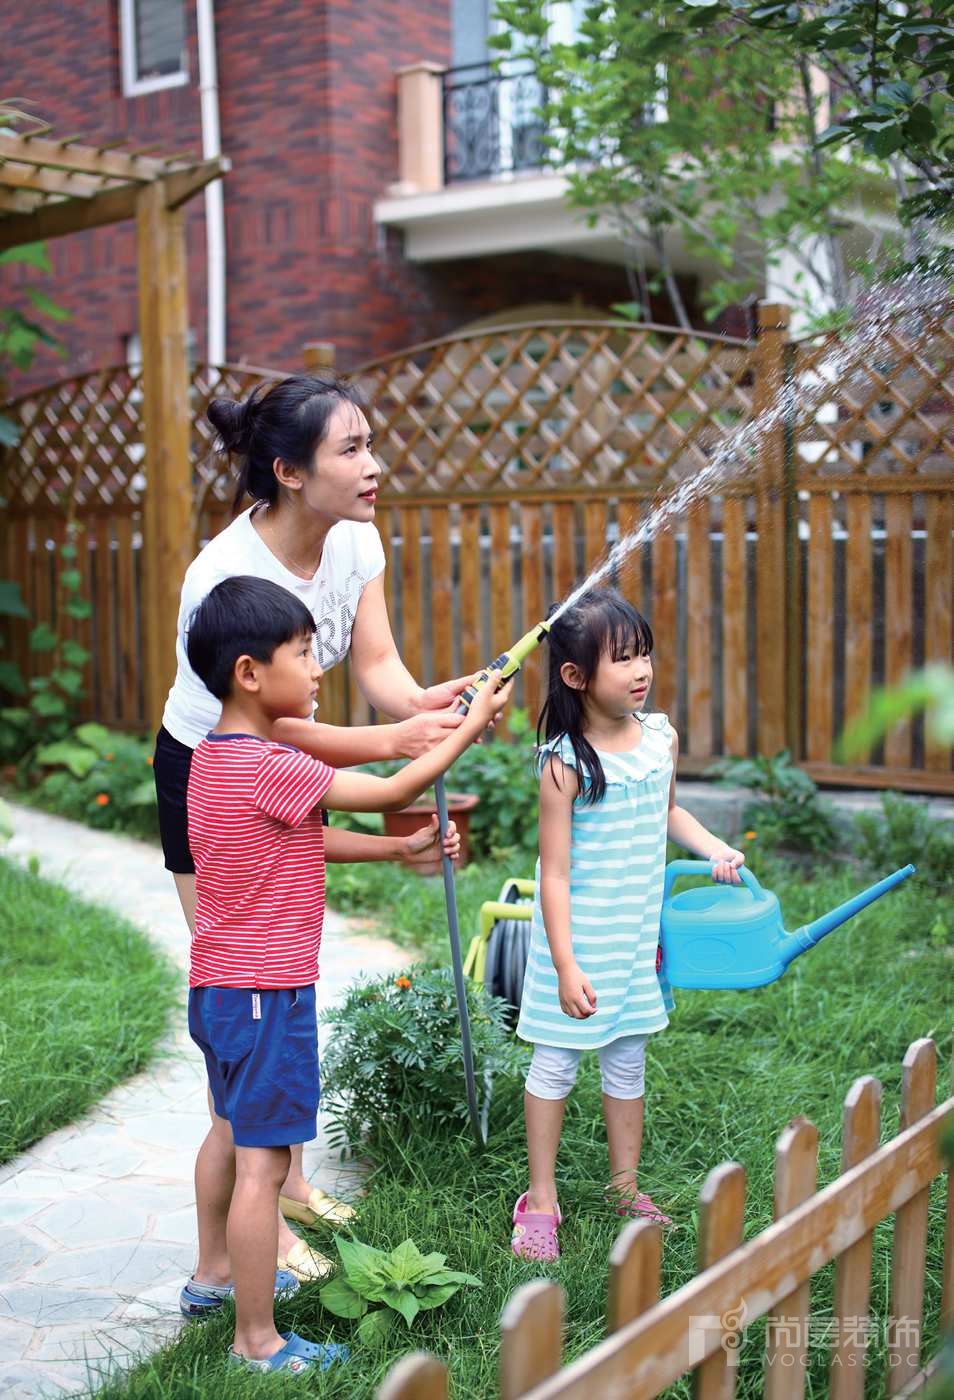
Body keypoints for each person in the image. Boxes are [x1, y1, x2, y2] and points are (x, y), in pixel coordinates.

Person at [154, 374, 473, 1277]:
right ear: (291, 471)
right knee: (245, 995)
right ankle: (260, 1212)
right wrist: (400, 744)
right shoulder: (224, 577)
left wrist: (428, 705)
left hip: (286, 753)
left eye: (369, 445)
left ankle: (283, 1185)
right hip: (211, 770)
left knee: (283, 982)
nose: (373, 466)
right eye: (351, 450)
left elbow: (378, 665)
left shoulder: (357, 537)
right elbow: (276, 726)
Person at [181, 574, 510, 1373]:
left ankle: (213, 1279)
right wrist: (466, 727)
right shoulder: (273, 762)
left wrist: (398, 851)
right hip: (267, 997)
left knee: (229, 1135)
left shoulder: (215, 760)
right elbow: (396, 787)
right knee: (265, 1166)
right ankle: (256, 1343)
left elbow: (302, 841)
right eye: (302, 653)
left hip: (220, 991)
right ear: (250, 674)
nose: (317, 667)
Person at [510, 587, 744, 1261]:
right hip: (577, 948)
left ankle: (623, 1187)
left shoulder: (660, 737)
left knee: (627, 1060)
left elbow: (670, 813)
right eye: (623, 659)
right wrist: (565, 964)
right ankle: (542, 1198)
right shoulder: (565, 762)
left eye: (644, 654)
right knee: (554, 1066)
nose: (641, 670)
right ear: (576, 676)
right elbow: (553, 873)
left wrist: (713, 849)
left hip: (635, 943)